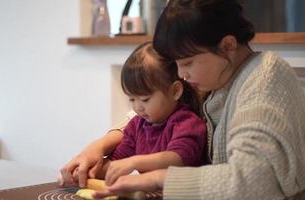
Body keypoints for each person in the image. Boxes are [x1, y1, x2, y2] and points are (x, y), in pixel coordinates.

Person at [63, 0, 305, 199]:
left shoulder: (266, 77)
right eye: (177, 64)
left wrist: (157, 177)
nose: (181, 74)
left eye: (187, 62)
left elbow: (252, 183)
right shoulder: (216, 79)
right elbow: (148, 118)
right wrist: (99, 147)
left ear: (228, 45)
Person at [60, 41, 207, 189]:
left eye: (145, 99)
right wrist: (88, 171)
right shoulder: (137, 125)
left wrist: (134, 162)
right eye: (131, 99)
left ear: (175, 91)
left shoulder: (187, 122)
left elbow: (178, 158)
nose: (137, 107)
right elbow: (116, 163)